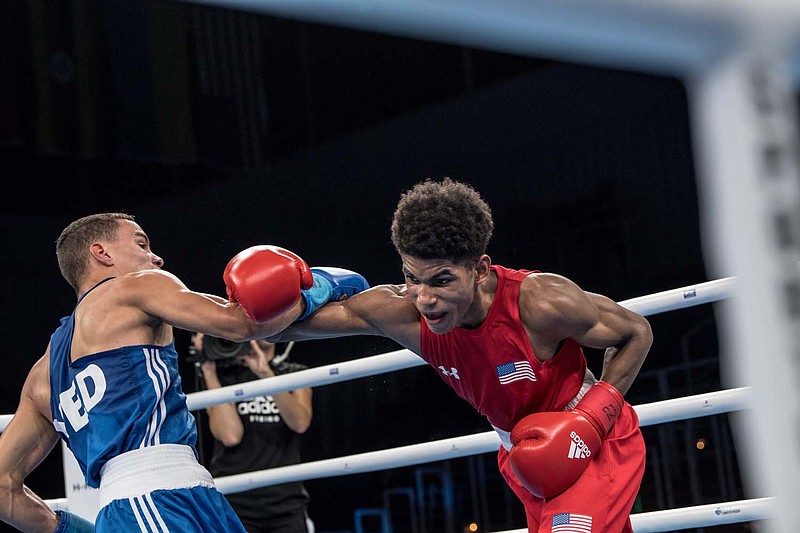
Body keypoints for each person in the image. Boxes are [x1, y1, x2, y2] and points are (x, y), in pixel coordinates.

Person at [259, 178, 653, 532]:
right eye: (412, 278)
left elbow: (636, 332)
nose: (425, 298)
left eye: (442, 280)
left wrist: (591, 418)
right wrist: (313, 291)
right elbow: (269, 326)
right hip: (522, 458)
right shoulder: (401, 312)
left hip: (594, 444)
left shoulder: (539, 301)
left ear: (480, 269)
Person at [0, 213, 367, 533]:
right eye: (142, 244)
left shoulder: (42, 374)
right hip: (162, 499)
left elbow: (2, 486)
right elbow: (241, 324)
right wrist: (319, 286)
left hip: (161, 500)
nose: (155, 257)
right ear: (102, 252)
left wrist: (73, 530)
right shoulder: (135, 285)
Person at [194, 334, 315, 533]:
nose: (267, 328)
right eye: (262, 322)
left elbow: (300, 423)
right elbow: (230, 436)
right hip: (235, 501)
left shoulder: (295, 374)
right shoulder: (225, 375)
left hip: (286, 502)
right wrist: (208, 370)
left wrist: (266, 375)